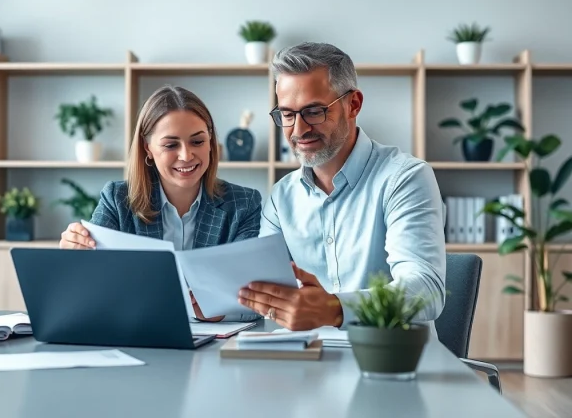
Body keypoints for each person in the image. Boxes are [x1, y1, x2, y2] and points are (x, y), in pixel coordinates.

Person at [237, 42, 446, 338]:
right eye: (287, 115)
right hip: (308, 356)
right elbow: (266, 287)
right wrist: (221, 305)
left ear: (353, 104)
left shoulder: (405, 178)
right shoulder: (281, 197)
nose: (298, 130)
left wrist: (335, 309)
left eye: (314, 111)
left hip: (390, 357)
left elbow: (426, 290)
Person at [59, 84, 263, 322]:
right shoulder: (117, 199)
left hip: (216, 340)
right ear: (148, 148)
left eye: (197, 141)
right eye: (171, 145)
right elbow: (87, 289)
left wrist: (221, 310)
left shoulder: (243, 204)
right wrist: (74, 258)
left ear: (210, 142)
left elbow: (257, 301)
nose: (186, 155)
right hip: (140, 335)